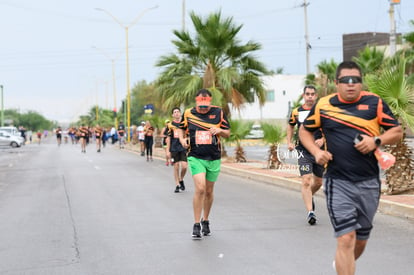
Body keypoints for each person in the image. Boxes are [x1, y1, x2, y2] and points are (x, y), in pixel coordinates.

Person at [299, 61, 403, 274]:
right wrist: (317, 152)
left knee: (360, 240)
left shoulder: (374, 103)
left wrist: (376, 141)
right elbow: (304, 131)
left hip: (369, 183)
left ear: (361, 82)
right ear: (336, 83)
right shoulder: (324, 105)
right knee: (346, 238)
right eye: (345, 80)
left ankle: (342, 264)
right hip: (338, 182)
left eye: (355, 80)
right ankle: (344, 263)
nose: (351, 84)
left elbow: (397, 131)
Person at [178, 89, 230, 239]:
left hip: (213, 156)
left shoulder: (218, 112)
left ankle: (205, 219)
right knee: (200, 188)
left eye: (205, 105)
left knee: (208, 191)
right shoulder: (188, 113)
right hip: (195, 155)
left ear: (210, 101)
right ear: (196, 101)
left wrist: (219, 130)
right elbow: (181, 129)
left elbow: (227, 132)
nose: (203, 108)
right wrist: (182, 140)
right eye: (200, 105)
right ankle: (196, 224)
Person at [287, 85, 324, 225]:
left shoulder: (321, 111)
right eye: (307, 94)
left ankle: (309, 195)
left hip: (319, 151)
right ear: (303, 96)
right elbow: (290, 125)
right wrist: (289, 142)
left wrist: (323, 139)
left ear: (316, 96)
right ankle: (311, 212)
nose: (310, 96)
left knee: (319, 182)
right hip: (303, 150)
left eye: (312, 94)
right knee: (306, 180)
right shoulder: (296, 112)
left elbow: (329, 128)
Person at [166, 107, 188, 193]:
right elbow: (168, 138)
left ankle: (181, 179)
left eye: (178, 112)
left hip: (183, 147)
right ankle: (177, 184)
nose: (176, 113)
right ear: (172, 115)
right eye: (174, 112)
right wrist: (168, 151)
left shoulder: (185, 124)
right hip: (174, 147)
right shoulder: (170, 125)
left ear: (180, 113)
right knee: (176, 166)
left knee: (185, 166)